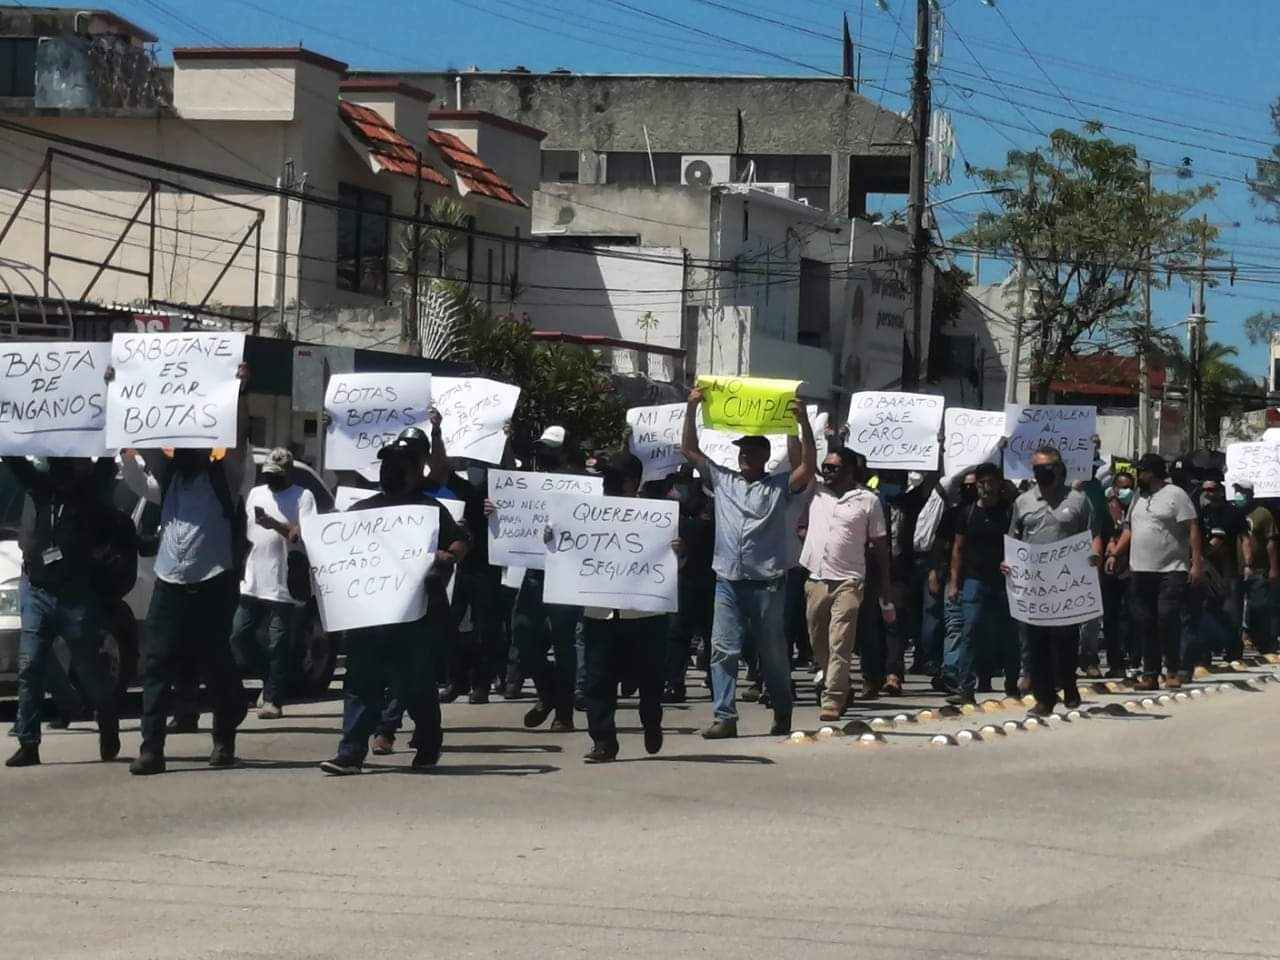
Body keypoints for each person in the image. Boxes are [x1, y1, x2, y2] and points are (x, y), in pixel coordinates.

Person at [125, 363, 252, 776]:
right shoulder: (169, 483)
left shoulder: (226, 479)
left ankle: (223, 738)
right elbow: (138, 461)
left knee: (216, 665)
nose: (183, 453)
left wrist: (237, 392)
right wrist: (121, 399)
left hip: (213, 582)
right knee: (157, 664)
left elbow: (237, 442)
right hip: (170, 582)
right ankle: (151, 749)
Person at [320, 429, 468, 775]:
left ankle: (429, 740)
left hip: (415, 617)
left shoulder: (429, 511)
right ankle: (351, 753)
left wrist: (448, 556)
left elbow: (460, 543)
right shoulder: (360, 511)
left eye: (399, 464)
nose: (390, 470)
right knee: (360, 681)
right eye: (386, 464)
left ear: (416, 470)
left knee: (415, 683)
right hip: (369, 615)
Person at [680, 389, 816, 739]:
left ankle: (782, 708)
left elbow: (807, 467)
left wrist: (799, 423)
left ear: (765, 457)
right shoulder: (723, 480)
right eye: (741, 450)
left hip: (767, 582)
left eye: (751, 451)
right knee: (723, 649)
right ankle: (725, 716)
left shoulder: (778, 487)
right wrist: (692, 406)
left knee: (771, 653)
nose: (743, 455)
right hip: (727, 578)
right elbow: (689, 451)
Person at [551, 451, 683, 762]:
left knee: (650, 677)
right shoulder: (587, 512)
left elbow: (677, 561)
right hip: (601, 610)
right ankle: (603, 740)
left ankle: (651, 721)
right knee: (598, 678)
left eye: (615, 479)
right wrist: (552, 538)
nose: (608, 485)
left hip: (645, 611)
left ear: (632, 482)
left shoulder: (655, 515)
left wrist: (678, 549)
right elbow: (565, 544)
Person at [4, 457, 131, 768]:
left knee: (88, 669)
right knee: (30, 665)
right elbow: (17, 463)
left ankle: (108, 718)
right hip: (38, 593)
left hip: (76, 598)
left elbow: (104, 466)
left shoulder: (88, 497)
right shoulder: (41, 491)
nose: (60, 469)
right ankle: (29, 742)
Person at [488, 424, 583, 732]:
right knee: (523, 635)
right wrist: (494, 509)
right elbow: (507, 492)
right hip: (534, 573)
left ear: (566, 452)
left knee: (563, 644)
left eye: (552, 450)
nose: (545, 455)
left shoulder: (581, 485)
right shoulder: (529, 482)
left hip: (566, 576)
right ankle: (548, 693)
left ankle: (563, 712)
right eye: (542, 449)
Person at [1007, 446, 1103, 716]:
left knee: (1064, 641)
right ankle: (1044, 698)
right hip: (1034, 585)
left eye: (1048, 468)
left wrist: (1095, 554)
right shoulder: (1022, 501)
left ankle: (1069, 684)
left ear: (1060, 469)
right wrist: (1009, 563)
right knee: (1035, 643)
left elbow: (1093, 533)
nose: (1043, 474)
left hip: (1066, 586)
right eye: (1038, 469)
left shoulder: (1078, 500)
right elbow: (1014, 538)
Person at [800, 447, 887, 721]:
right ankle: (840, 681)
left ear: (850, 471)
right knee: (818, 642)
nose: (826, 472)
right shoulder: (815, 491)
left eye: (833, 468)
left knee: (840, 641)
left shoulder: (868, 501)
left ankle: (833, 698)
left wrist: (885, 585)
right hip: (816, 579)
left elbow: (879, 545)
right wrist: (802, 422)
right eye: (825, 466)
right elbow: (801, 460)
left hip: (849, 581)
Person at [229, 448, 317, 720]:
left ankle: (273, 699)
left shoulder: (303, 497)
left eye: (277, 476)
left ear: (288, 473)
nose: (271, 480)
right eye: (268, 475)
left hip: (284, 581)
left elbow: (302, 536)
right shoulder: (256, 494)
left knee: (279, 642)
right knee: (239, 636)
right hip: (254, 578)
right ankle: (269, 678)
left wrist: (274, 524)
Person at [1106, 453, 1202, 691]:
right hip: (1140, 570)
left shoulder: (1176, 495)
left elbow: (1192, 528)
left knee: (1167, 617)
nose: (1139, 476)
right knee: (1145, 622)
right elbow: (1130, 528)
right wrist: (1115, 553)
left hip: (1171, 569)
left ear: (1155, 472)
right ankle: (1150, 673)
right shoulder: (1139, 497)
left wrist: (1196, 562)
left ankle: (1172, 670)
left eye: (1143, 471)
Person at [946, 462, 1017, 705]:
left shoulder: (1008, 512)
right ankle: (966, 687)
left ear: (999, 485)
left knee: (1008, 634)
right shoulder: (967, 513)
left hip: (1005, 582)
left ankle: (1012, 683)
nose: (986, 487)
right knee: (971, 630)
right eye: (981, 482)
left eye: (991, 482)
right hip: (974, 580)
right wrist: (954, 583)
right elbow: (957, 548)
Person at [1234, 479, 1278, 656]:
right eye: (1236, 491)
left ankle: (1265, 644)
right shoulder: (1232, 513)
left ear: (1251, 494)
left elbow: (1271, 543)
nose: (1239, 495)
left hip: (1259, 570)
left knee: (1259, 608)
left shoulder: (1263, 514)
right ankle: (1235, 647)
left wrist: (1274, 568)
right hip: (1235, 570)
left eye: (1242, 492)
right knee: (1234, 610)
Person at [1100, 472, 1136, 677]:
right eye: (1122, 487)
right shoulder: (1105, 510)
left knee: (1134, 615)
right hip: (1110, 571)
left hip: (1133, 568)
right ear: (1114, 488)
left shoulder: (1137, 508)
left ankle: (1134, 657)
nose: (1126, 491)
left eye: (1130, 486)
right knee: (1111, 618)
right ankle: (1115, 662)